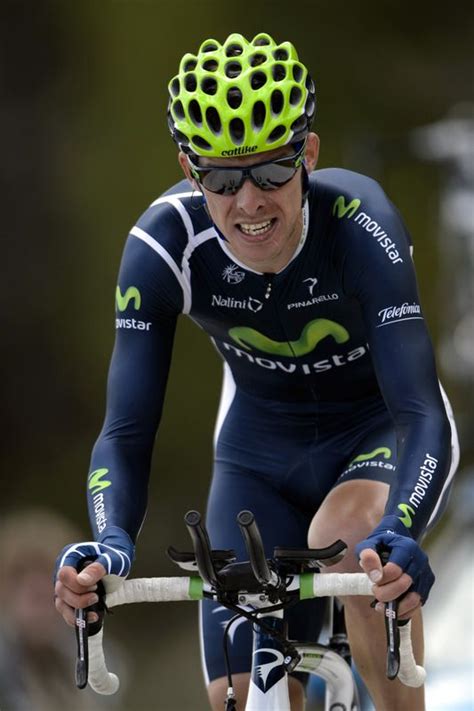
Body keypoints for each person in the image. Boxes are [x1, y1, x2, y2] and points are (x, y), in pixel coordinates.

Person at [54, 32, 459, 711]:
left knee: (355, 545)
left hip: (376, 434)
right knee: (242, 698)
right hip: (258, 460)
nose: (248, 203)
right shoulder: (164, 245)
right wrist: (111, 543)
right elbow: (125, 432)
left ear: (309, 155)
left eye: (271, 171)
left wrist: (405, 526)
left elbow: (421, 408)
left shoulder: (361, 225)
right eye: (220, 177)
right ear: (189, 171)